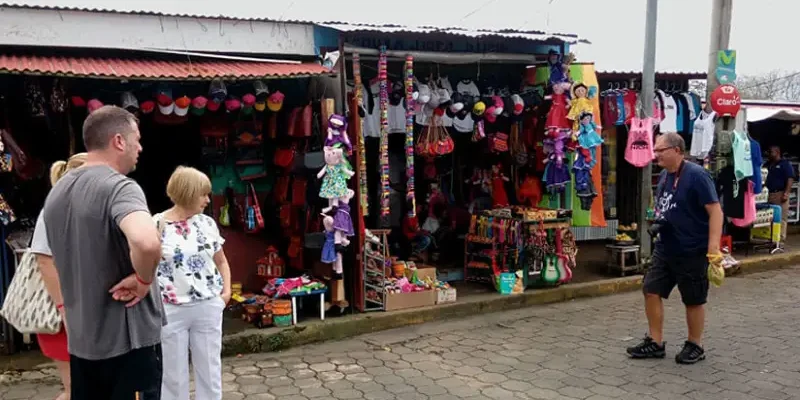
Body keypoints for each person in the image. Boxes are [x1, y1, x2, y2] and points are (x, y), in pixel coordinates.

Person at [42, 106, 164, 399]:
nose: (140, 148)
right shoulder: (119, 188)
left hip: (83, 341)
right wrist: (143, 280)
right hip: (127, 341)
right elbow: (147, 242)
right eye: (137, 139)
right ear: (119, 141)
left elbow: (47, 257)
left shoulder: (57, 192)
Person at [627, 133, 723, 364]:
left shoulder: (697, 175)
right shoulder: (664, 176)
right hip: (666, 247)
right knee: (651, 290)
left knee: (693, 299)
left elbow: (715, 211)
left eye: (661, 150)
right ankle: (655, 342)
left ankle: (695, 344)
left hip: (692, 248)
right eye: (655, 150)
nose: (656, 155)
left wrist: (713, 246)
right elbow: (667, 207)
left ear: (677, 150)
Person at [156, 166, 231, 400]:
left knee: (210, 370)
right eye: (203, 194)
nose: (208, 200)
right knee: (173, 375)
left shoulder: (207, 223)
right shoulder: (157, 225)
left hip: (208, 304)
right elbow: (144, 266)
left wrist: (226, 293)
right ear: (188, 193)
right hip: (171, 309)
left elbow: (221, 261)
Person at [30, 152, 88, 400]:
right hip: (61, 313)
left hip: (84, 310)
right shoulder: (54, 211)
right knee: (76, 389)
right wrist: (64, 308)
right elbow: (44, 260)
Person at [765, 145, 795, 241]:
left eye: (771, 152)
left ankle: (780, 239)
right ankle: (770, 238)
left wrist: (786, 193)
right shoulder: (768, 164)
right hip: (768, 194)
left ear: (777, 152)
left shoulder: (785, 164)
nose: (769, 154)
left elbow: (790, 178)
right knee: (769, 217)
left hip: (780, 193)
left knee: (781, 217)